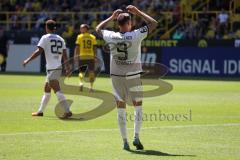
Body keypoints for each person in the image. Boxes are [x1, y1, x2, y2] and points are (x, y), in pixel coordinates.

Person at [96, 5, 157, 150]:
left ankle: (125, 141)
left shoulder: (111, 36)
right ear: (129, 23)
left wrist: (111, 17)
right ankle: (136, 136)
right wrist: (138, 12)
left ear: (118, 24)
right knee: (138, 107)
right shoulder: (136, 35)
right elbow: (154, 23)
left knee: (120, 109)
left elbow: (98, 29)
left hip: (116, 76)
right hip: (133, 75)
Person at [23, 20, 72, 118]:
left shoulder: (45, 38)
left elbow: (39, 51)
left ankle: (67, 111)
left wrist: (28, 60)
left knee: (57, 90)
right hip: (58, 67)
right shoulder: (61, 39)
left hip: (52, 68)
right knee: (47, 89)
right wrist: (67, 68)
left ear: (46, 27)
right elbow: (65, 55)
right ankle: (40, 111)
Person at [74, 24, 97, 92]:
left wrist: (76, 55)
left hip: (82, 56)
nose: (80, 30)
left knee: (81, 72)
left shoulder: (79, 37)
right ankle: (91, 87)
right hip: (90, 56)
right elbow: (95, 48)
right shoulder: (92, 37)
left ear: (86, 29)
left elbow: (77, 47)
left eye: (82, 28)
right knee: (91, 72)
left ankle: (81, 83)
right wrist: (95, 56)